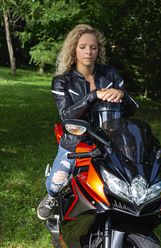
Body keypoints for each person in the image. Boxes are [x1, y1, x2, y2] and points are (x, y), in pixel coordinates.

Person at [37, 24, 138, 220]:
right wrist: (92, 96)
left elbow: (132, 109)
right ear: (73, 49)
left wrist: (122, 94)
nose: (88, 51)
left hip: (111, 139)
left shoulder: (110, 75)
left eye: (93, 47)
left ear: (99, 50)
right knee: (57, 183)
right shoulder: (62, 81)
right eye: (83, 46)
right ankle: (50, 196)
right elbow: (66, 116)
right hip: (76, 141)